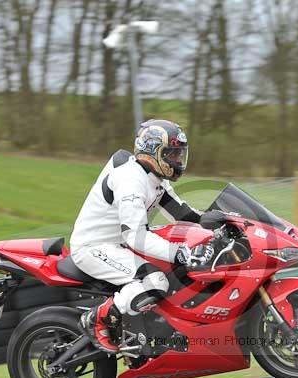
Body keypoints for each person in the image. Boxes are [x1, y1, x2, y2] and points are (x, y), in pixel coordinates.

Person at [69, 119, 210, 352]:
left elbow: (182, 213)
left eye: (179, 154)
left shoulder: (154, 178)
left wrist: (221, 220)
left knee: (173, 270)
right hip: (94, 247)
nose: (177, 160)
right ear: (153, 152)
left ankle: (154, 329)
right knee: (155, 280)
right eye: (172, 154)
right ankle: (97, 319)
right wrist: (180, 253)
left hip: (119, 244)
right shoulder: (130, 179)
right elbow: (135, 236)